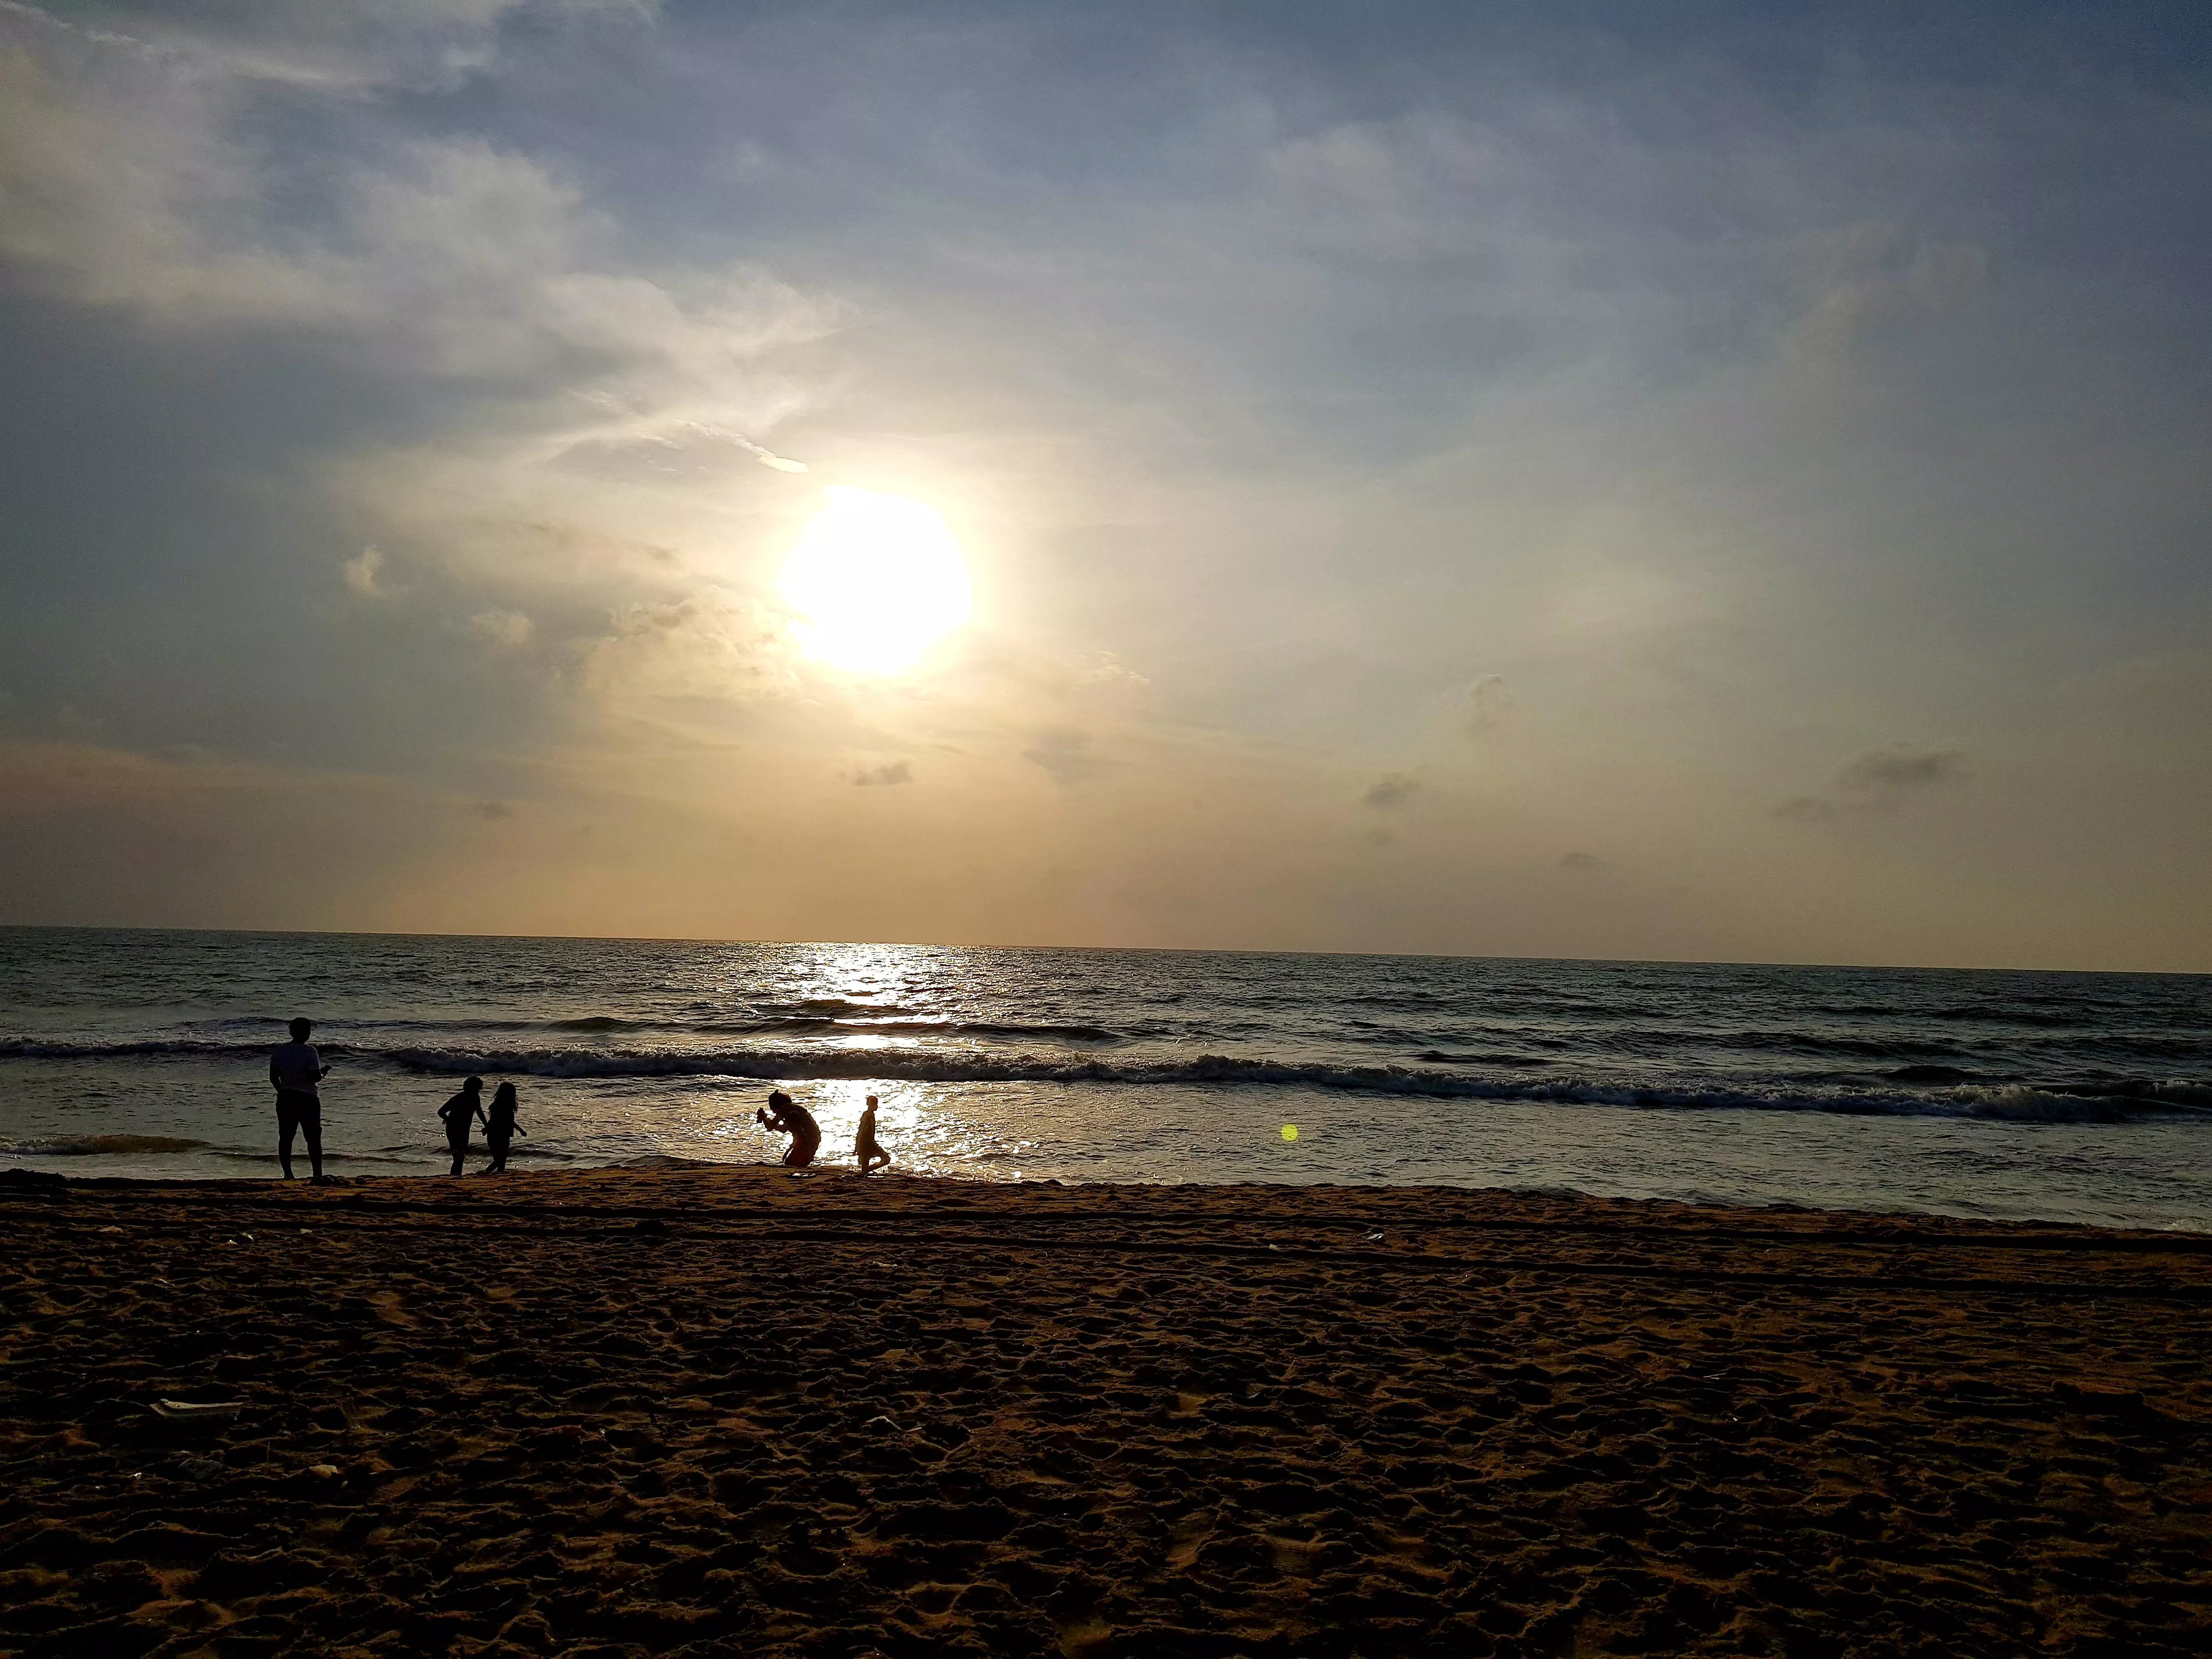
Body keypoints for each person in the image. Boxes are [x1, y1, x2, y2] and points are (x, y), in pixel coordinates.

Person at [268, 1017, 331, 1182]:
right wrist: (323, 1073)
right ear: (307, 1033)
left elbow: (273, 1077)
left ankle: (288, 1174)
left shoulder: (279, 1052)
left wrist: (282, 1091)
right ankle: (317, 1174)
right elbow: (314, 1077)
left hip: (286, 1097)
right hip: (308, 1098)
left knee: (286, 1137)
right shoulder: (309, 1052)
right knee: (313, 1138)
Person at [756, 1089, 820, 1169]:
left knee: (790, 1165)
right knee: (791, 1164)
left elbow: (774, 1127)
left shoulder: (785, 1109)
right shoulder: (791, 1109)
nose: (773, 1112)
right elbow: (779, 1128)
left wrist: (764, 1118)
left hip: (807, 1141)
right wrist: (764, 1118)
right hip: (814, 1138)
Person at [438, 1076, 489, 1176]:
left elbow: (441, 1112)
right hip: (457, 1128)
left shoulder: (461, 1098)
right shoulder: (472, 1097)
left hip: (459, 1128)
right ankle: (455, 1176)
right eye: (478, 1089)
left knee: (459, 1156)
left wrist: (449, 1120)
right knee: (459, 1155)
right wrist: (486, 1125)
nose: (479, 1091)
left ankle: (455, 1176)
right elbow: (479, 1112)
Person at [485, 1081, 524, 1173]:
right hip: (498, 1135)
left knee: (501, 1160)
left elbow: (509, 1122)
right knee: (500, 1160)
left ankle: (496, 1175)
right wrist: (520, 1130)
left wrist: (521, 1130)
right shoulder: (502, 1106)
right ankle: (487, 1173)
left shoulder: (500, 1105)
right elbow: (496, 1120)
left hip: (501, 1135)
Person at [855, 1094, 892, 1174]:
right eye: (876, 1104)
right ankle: (867, 1170)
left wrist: (857, 1144)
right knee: (886, 1158)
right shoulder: (869, 1116)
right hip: (867, 1142)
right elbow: (865, 1131)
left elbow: (860, 1130)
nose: (877, 1106)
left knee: (866, 1161)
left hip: (864, 1142)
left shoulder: (867, 1115)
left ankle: (866, 1171)